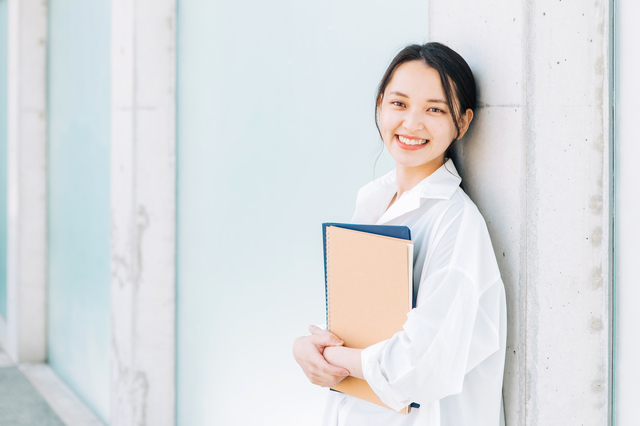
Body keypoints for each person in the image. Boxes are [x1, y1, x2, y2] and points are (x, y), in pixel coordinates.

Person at [293, 42, 507, 426]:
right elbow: (358, 327)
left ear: (463, 122)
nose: (411, 123)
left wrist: (332, 358)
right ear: (379, 106)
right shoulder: (373, 203)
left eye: (435, 109)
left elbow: (421, 363)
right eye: (399, 104)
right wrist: (307, 349)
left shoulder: (457, 223)